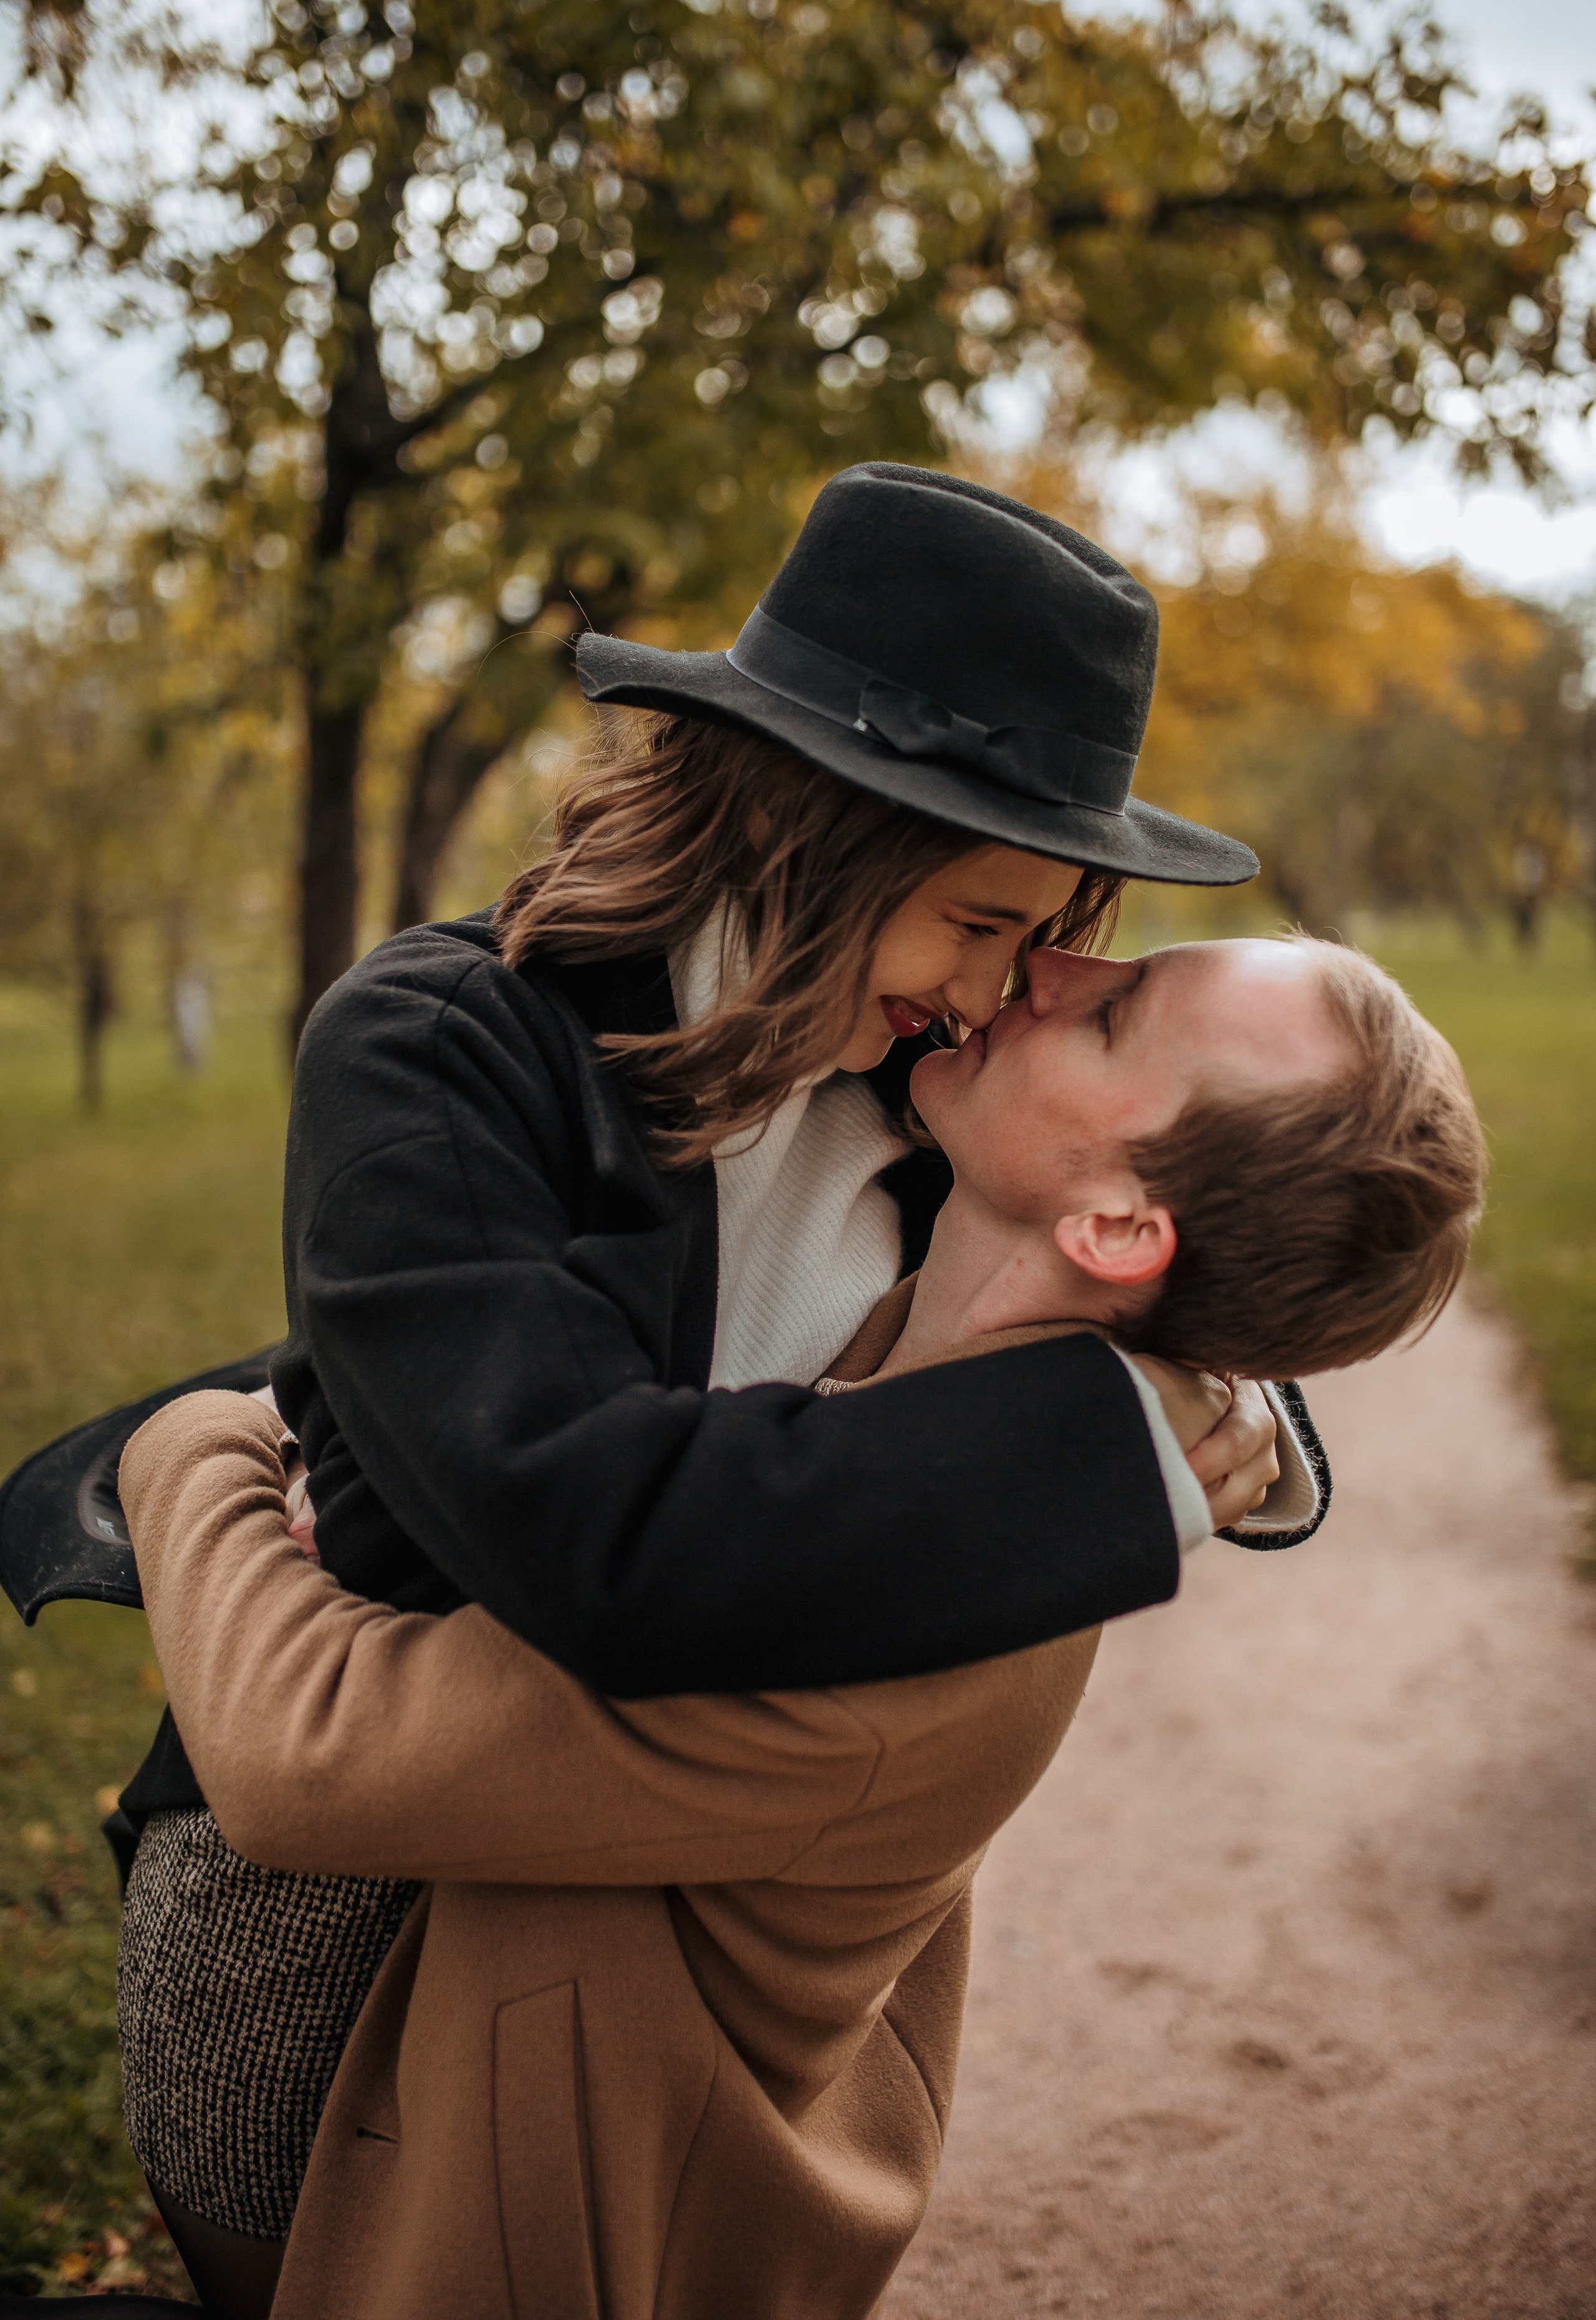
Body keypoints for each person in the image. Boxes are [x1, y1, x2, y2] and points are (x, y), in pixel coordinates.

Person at [111, 463, 1312, 2306]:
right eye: (981, 927)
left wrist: (1229, 1401)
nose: (998, 999)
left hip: (728, 1985)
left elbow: (1184, 1219)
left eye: (1041, 937)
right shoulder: (443, 1050)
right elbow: (582, 1528)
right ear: (804, 832)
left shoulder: (933, 1115)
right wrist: (1102, 1453)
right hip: (352, 1947)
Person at [113, 923, 1483, 2320]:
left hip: (464, 2214)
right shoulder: (928, 1364)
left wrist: (200, 1439)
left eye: (1114, 1016)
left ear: (1121, 1227)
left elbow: (309, 1752)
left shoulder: (909, 1607)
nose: (1051, 967)